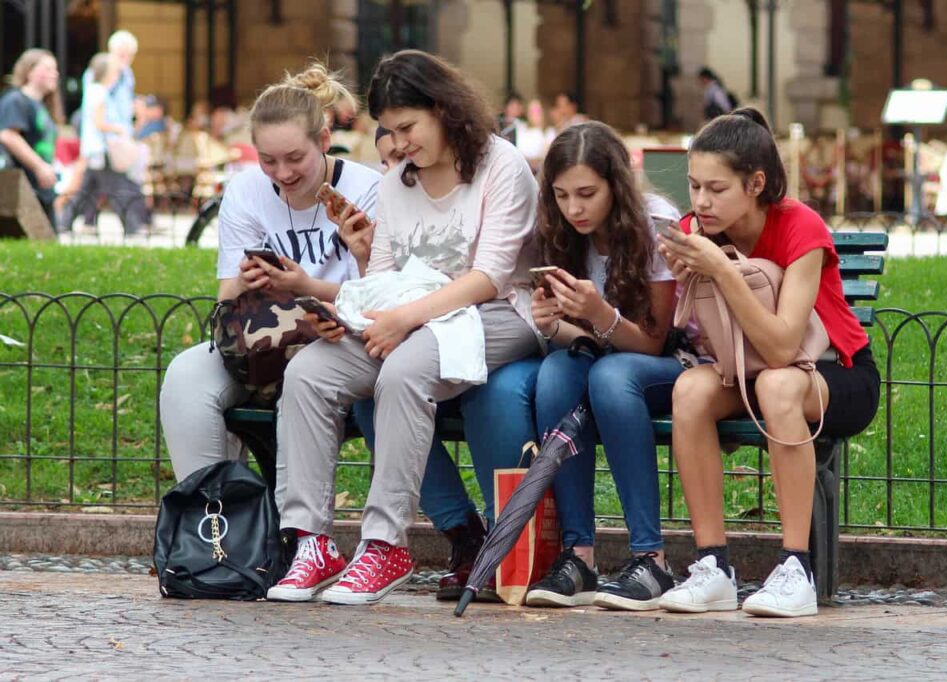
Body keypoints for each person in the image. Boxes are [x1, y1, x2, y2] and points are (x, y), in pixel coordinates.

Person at [271, 49, 540, 606]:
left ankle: (385, 543)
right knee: (309, 373)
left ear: (444, 109)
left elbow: (490, 276)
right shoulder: (397, 183)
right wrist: (350, 315)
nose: (398, 143)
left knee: (402, 372)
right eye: (389, 132)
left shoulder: (501, 165)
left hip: (496, 313)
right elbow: (384, 278)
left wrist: (404, 320)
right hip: (412, 317)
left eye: (407, 127)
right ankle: (311, 541)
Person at [656, 108, 880, 618]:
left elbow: (782, 348)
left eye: (716, 189)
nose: (701, 202)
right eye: (694, 186)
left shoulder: (800, 226)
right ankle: (713, 566)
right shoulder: (696, 231)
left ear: (756, 184)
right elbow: (693, 333)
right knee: (690, 390)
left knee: (778, 385)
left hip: (834, 372)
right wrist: (686, 278)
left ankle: (796, 568)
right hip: (747, 370)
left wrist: (721, 270)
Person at [160, 62, 380, 485]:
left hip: (342, 341)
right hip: (266, 340)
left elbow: (377, 298)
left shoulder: (367, 189)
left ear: (324, 141)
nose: (283, 174)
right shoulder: (246, 190)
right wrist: (247, 280)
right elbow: (227, 300)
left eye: (295, 158)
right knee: (186, 378)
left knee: (304, 376)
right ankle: (216, 515)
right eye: (268, 161)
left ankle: (296, 520)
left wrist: (305, 287)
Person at [521, 121, 686, 611]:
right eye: (562, 195)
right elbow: (585, 343)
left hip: (668, 365)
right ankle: (579, 556)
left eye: (587, 194)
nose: (574, 208)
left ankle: (651, 559)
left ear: (615, 184)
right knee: (556, 373)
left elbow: (653, 341)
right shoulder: (559, 231)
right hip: (603, 361)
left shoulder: (654, 223)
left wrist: (599, 313)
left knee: (611, 377)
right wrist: (552, 325)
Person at [61, 52, 148, 235]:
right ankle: (132, 226)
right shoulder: (99, 92)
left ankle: (65, 222)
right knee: (117, 187)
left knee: (88, 188)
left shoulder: (95, 90)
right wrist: (119, 129)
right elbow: (99, 123)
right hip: (101, 148)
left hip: (95, 150)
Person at [0, 49, 63, 224]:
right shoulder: (16, 100)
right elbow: (8, 135)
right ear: (29, 71)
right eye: (47, 68)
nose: (54, 74)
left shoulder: (42, 105)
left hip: (41, 189)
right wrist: (39, 166)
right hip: (23, 188)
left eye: (55, 69)